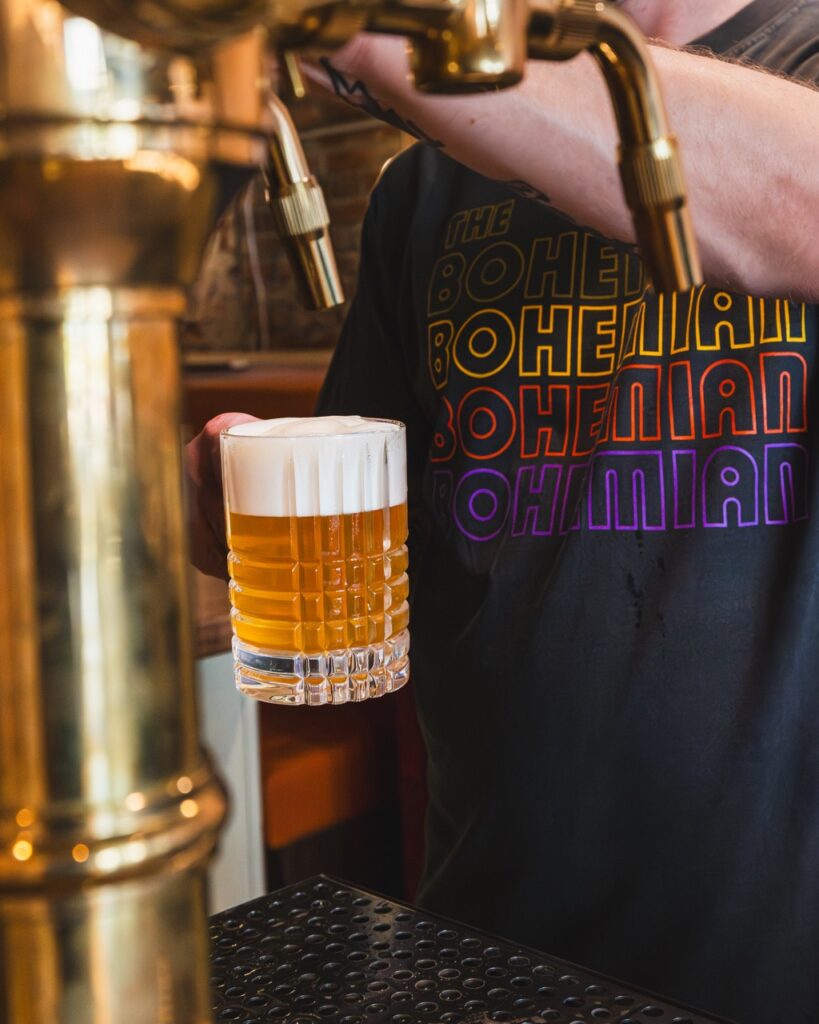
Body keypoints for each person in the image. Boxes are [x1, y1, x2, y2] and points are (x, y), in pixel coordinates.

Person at [188, 3, 819, 1020]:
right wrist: (223, 507)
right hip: (483, 956)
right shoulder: (426, 181)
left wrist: (373, 31)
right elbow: (380, 535)